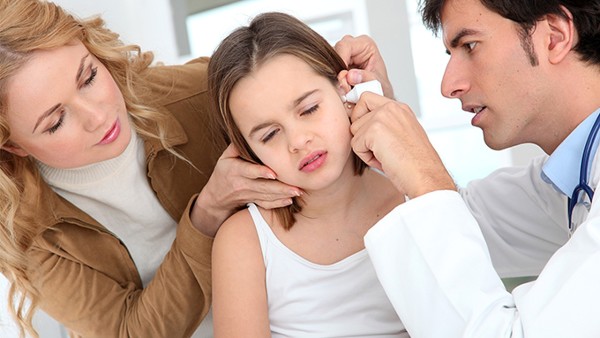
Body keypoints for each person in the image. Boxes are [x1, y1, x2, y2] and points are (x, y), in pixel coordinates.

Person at [0, 1, 300, 337]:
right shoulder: (26, 233)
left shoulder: (198, 94)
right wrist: (207, 213)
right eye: (55, 122)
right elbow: (131, 333)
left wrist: (359, 81)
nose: (98, 116)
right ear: (13, 146)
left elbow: (309, 97)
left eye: (89, 77)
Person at [334, 0, 600, 337]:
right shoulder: (570, 181)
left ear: (554, 36)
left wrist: (423, 175)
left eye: (470, 46)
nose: (449, 86)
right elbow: (461, 219)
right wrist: (386, 131)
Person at [207, 12, 408, 337]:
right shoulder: (245, 242)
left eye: (309, 110)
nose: (298, 141)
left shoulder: (412, 200)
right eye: (270, 135)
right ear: (246, 153)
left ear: (345, 91)